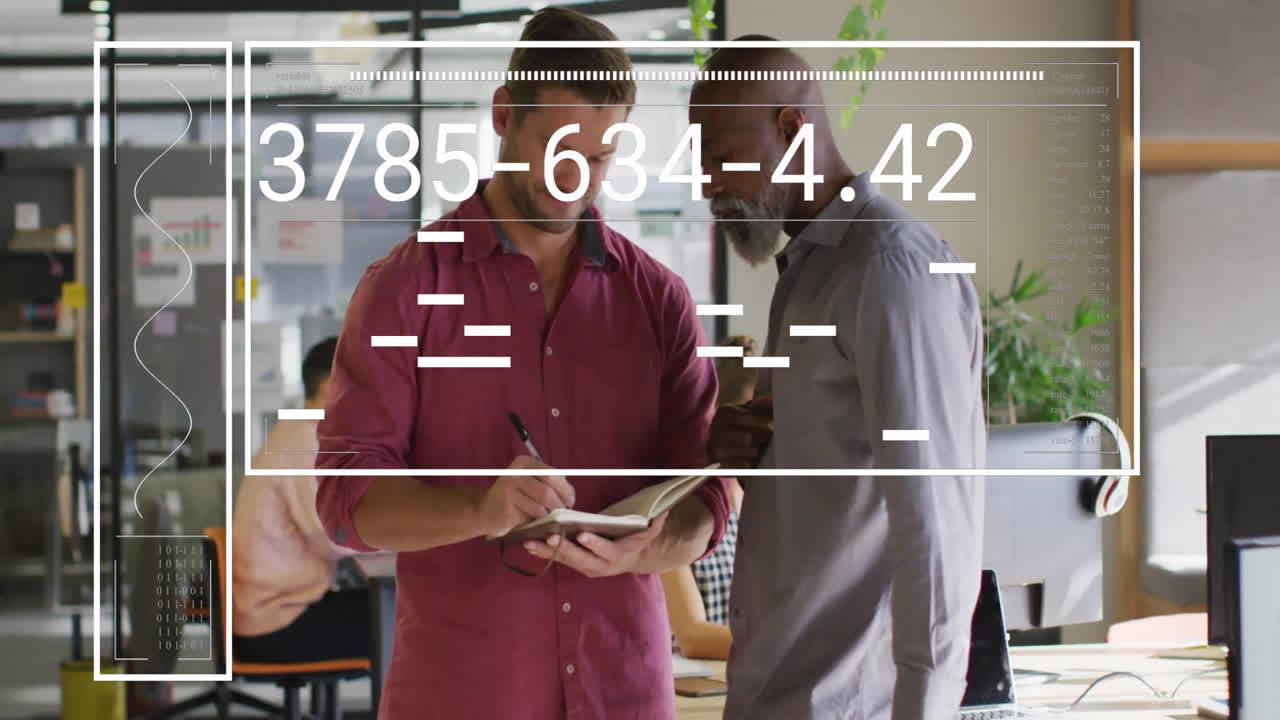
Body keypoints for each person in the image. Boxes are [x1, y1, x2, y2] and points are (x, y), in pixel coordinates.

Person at [313, 8, 730, 720]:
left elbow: (709, 498)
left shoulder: (659, 300)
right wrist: (478, 509)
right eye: (560, 147)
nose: (578, 178)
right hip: (462, 696)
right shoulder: (405, 290)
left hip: (621, 696)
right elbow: (346, 502)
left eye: (600, 157)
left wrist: (642, 552)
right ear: (504, 114)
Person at [693, 39, 986, 720]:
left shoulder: (889, 272)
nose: (708, 182)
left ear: (791, 129)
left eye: (719, 154)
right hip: (779, 694)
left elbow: (935, 525)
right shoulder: (808, 275)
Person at [231, 337, 369, 663]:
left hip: (274, 610)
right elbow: (335, 536)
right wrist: (414, 535)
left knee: (396, 611)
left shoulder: (302, 432)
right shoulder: (307, 441)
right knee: (408, 619)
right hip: (276, 622)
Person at [661, 335, 757, 660]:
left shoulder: (746, 499)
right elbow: (692, 635)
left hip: (740, 679)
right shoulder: (675, 502)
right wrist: (783, 652)